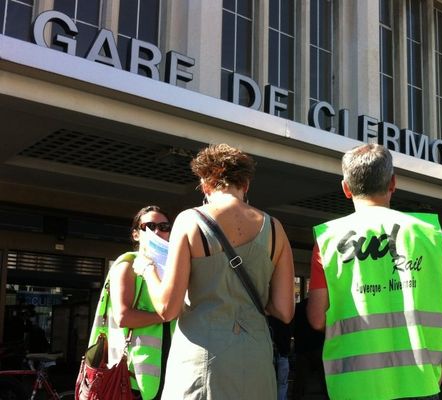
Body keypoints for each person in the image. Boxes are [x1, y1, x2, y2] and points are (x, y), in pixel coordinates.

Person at [307, 143, 442, 400]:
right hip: (421, 382)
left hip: (354, 387)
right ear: (393, 183)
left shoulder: (329, 239)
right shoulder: (428, 234)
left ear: (346, 189)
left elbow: (317, 318)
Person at [134, 143, 295, 399]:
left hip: (202, 357)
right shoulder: (275, 229)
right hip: (256, 359)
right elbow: (285, 311)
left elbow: (167, 308)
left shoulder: (190, 220)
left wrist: (148, 269)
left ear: (205, 184)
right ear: (246, 184)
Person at [88, 205, 173, 400]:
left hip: (170, 368)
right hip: (133, 373)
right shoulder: (128, 264)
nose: (158, 231)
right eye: (149, 226)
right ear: (136, 234)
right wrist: (165, 314)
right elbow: (123, 317)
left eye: (164, 226)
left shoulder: (173, 267)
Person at [268, 315, 293, 400]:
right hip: (283, 354)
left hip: (271, 355)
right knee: (282, 384)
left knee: (270, 384)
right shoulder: (286, 319)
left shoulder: (268, 319)